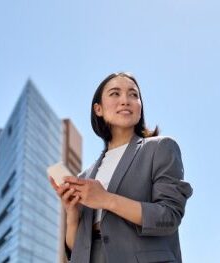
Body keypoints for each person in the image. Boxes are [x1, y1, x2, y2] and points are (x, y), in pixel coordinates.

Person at [49, 72, 193, 263]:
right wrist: (73, 214)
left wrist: (106, 199)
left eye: (133, 95)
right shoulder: (85, 175)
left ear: (140, 107)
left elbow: (169, 216)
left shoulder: (160, 148)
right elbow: (76, 250)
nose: (125, 100)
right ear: (98, 109)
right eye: (115, 93)